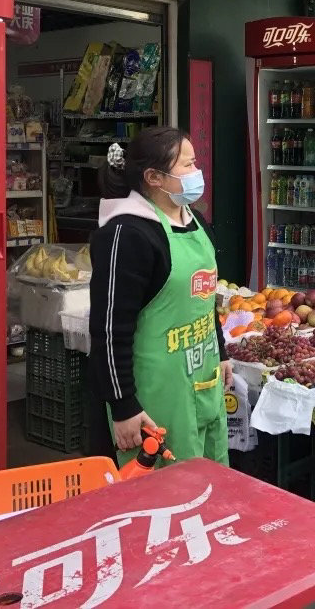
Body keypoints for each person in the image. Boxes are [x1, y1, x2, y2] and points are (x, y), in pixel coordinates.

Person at [89, 127, 232, 467]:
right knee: (166, 490)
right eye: (187, 165)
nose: (197, 172)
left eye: (195, 162)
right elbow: (109, 329)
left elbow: (204, 297)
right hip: (154, 400)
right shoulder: (127, 233)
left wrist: (221, 351)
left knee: (211, 480)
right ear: (154, 177)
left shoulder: (196, 221)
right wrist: (123, 404)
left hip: (202, 381)